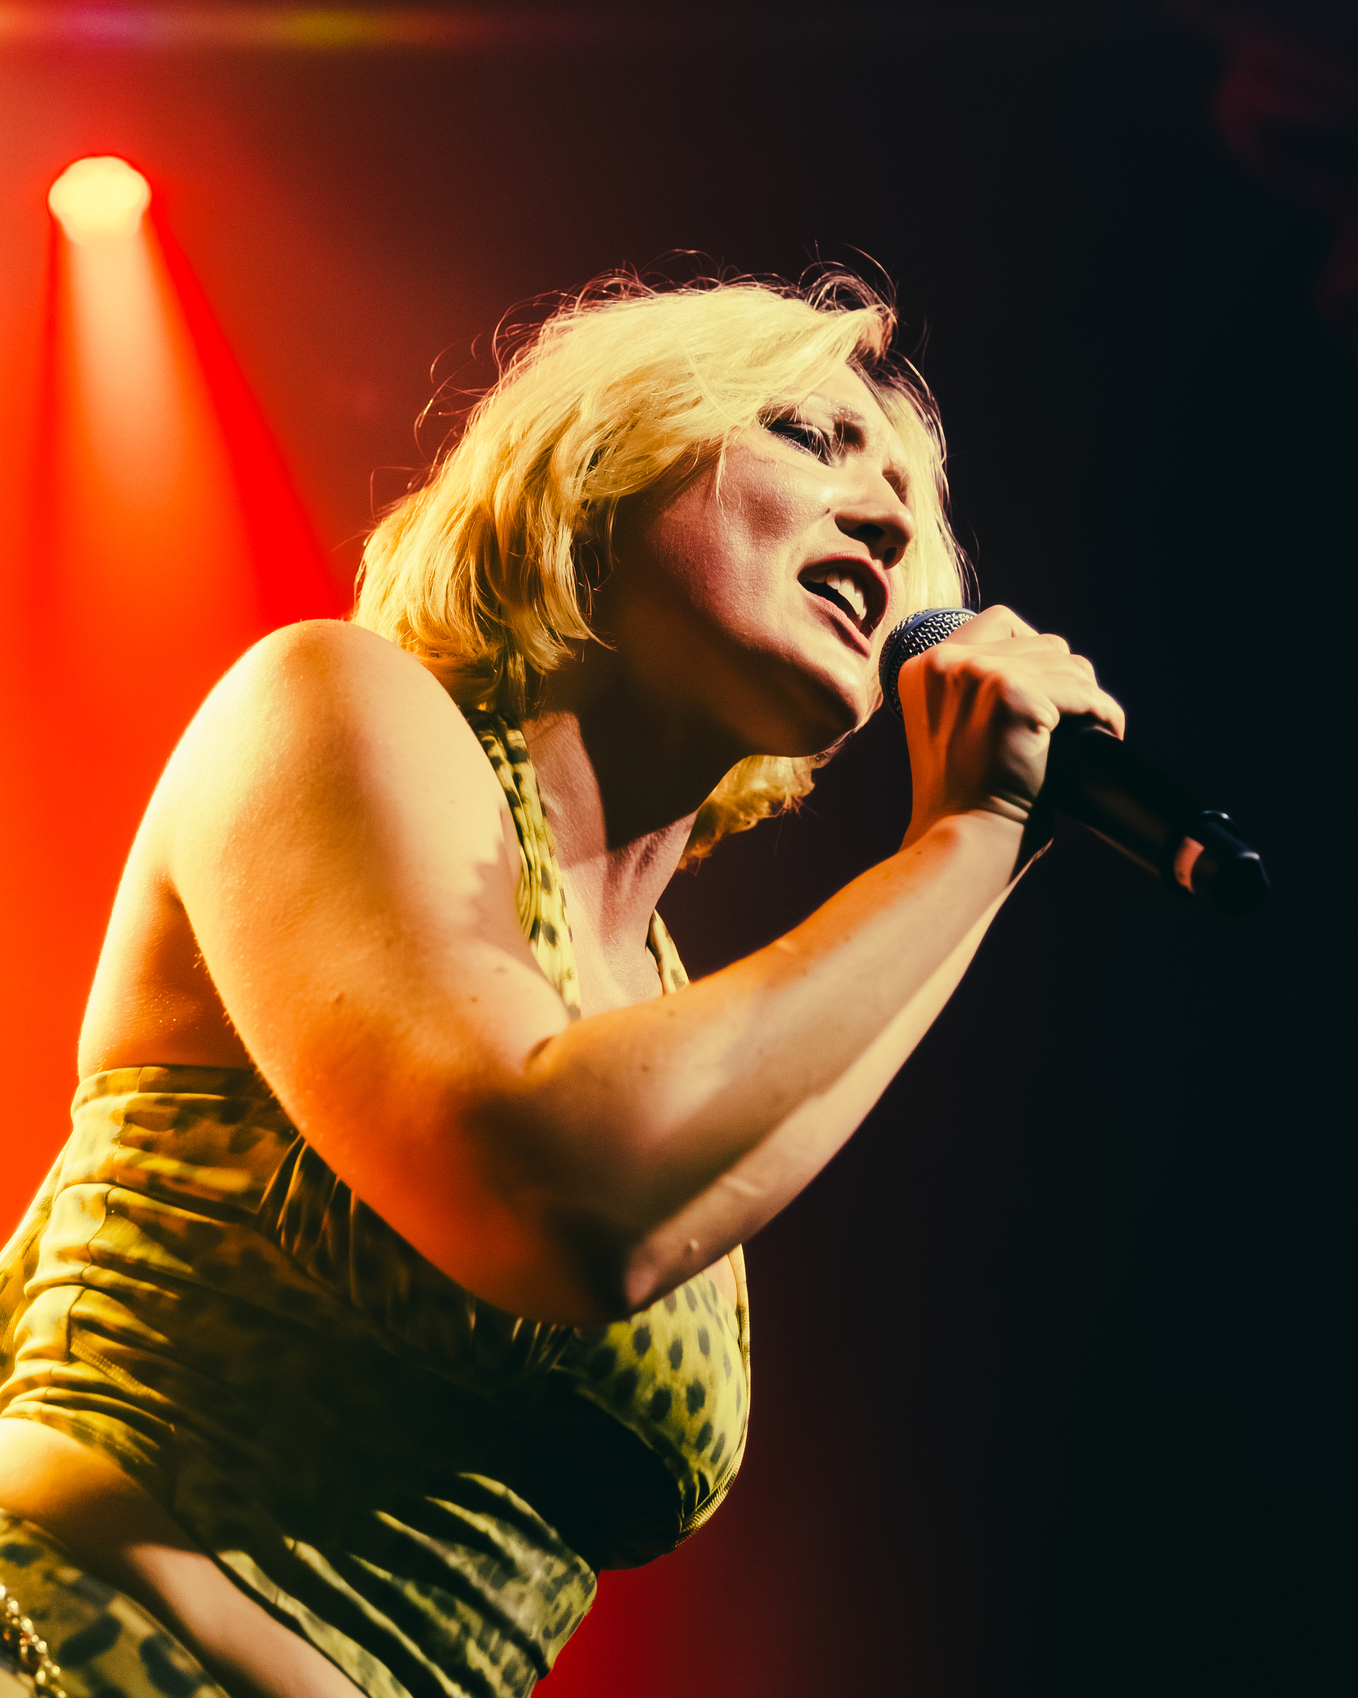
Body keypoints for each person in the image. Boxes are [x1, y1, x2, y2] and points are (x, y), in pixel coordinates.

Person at [0, 273, 1122, 1698]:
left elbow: (628, 1206)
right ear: (601, 461)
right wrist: (962, 841)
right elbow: (553, 1189)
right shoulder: (332, 700)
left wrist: (987, 852)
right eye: (811, 436)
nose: (893, 527)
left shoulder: (671, 1007)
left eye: (911, 504)